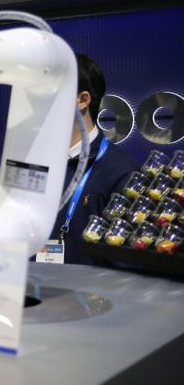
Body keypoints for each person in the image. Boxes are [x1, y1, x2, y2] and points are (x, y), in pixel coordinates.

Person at [49, 54, 139, 264]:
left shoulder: (121, 172)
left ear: (82, 100)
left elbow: (125, 262)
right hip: (31, 282)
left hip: (88, 285)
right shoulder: (31, 161)